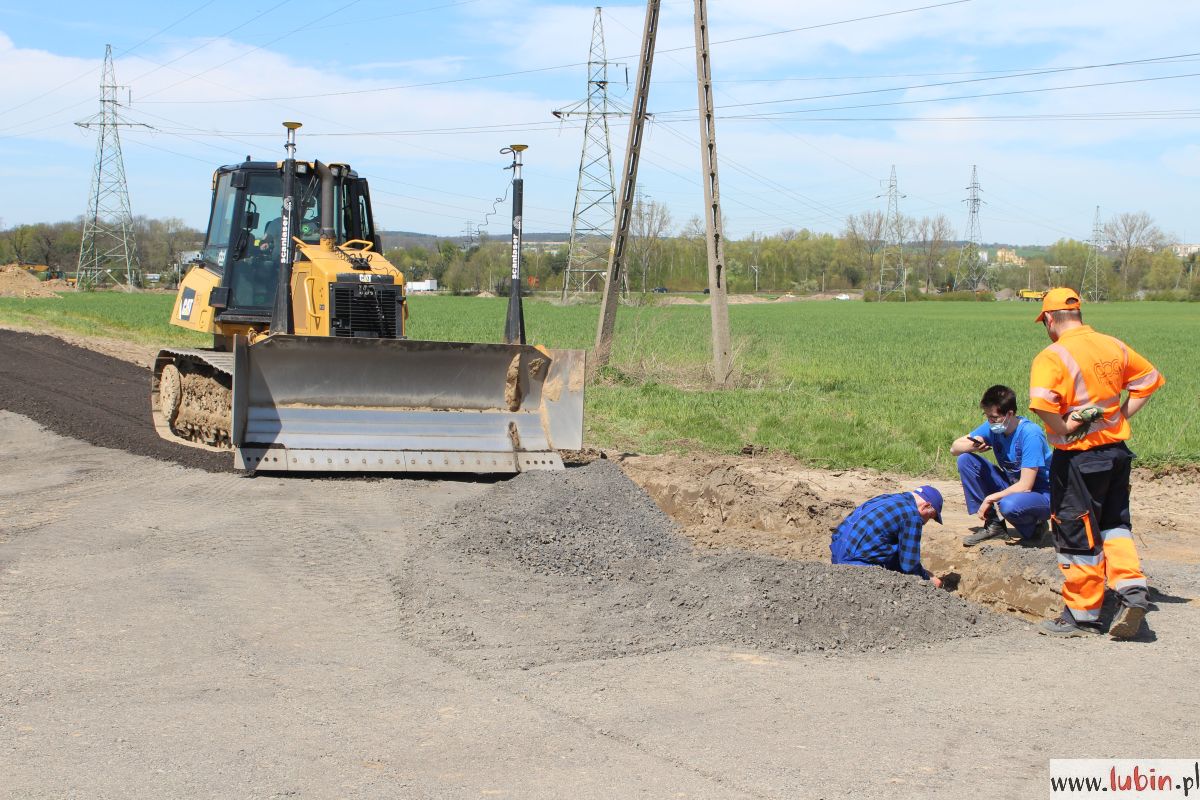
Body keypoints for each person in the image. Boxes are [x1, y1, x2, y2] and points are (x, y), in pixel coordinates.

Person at [1028, 287, 1165, 639]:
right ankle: (1132, 591)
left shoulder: (1053, 355)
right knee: (1114, 525)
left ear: (1051, 319)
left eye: (1044, 322)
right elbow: (1149, 381)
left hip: (1078, 458)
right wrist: (1118, 415)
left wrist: (1063, 428)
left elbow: (1042, 403)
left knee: (1076, 532)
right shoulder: (1112, 345)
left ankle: (1082, 616)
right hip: (1116, 453)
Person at [950, 385, 1052, 547]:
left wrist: (990, 498)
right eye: (987, 417)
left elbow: (1026, 485)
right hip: (1014, 486)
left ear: (1009, 414)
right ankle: (994, 525)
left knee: (1009, 505)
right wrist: (974, 446)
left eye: (994, 418)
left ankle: (1036, 527)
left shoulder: (1030, 434)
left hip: (1042, 493)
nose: (990, 422)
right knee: (966, 460)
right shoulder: (994, 428)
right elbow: (955, 448)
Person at [830, 486, 944, 587]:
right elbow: (909, 565)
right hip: (857, 565)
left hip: (837, 554)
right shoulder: (912, 515)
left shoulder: (886, 498)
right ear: (926, 506)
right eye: (929, 516)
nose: (925, 522)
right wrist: (927, 580)